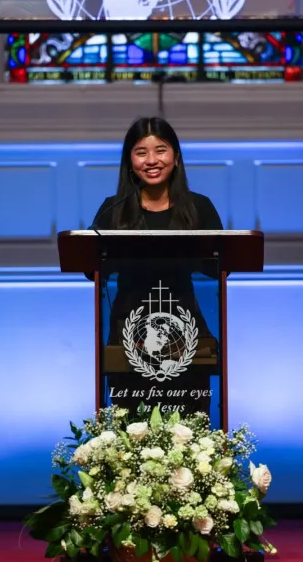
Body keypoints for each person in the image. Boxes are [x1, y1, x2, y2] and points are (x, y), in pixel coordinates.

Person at [90, 117, 223, 415]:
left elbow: (220, 266)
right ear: (129, 161)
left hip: (187, 334)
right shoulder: (114, 209)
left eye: (160, 150)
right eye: (141, 152)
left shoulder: (198, 208)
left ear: (176, 157)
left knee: (188, 428)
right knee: (131, 430)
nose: (151, 160)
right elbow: (92, 268)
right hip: (127, 336)